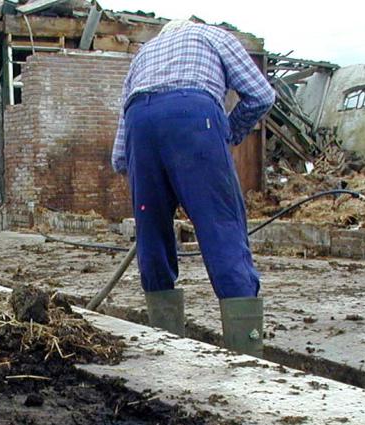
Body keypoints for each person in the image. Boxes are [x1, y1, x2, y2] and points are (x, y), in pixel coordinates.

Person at [111, 19, 275, 357]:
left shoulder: (145, 52)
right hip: (193, 115)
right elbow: (260, 95)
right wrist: (227, 133)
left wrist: (141, 171)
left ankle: (165, 344)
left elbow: (122, 137)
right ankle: (246, 351)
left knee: (152, 234)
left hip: (139, 125)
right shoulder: (213, 35)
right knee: (220, 225)